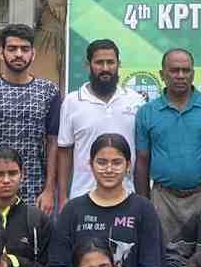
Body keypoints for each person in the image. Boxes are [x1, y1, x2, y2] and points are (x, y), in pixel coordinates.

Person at [48, 134, 163, 267]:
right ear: (90, 165)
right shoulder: (72, 210)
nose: (109, 169)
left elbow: (148, 266)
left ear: (128, 166)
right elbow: (62, 265)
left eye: (117, 162)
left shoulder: (144, 209)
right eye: (101, 162)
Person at [0, 23, 61, 215]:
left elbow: (53, 143)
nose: (18, 54)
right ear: (1, 53)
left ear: (33, 54)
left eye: (24, 49)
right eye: (12, 48)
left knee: (32, 244)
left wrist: (49, 190)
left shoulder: (49, 91)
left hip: (34, 191)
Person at [134, 47, 201, 243]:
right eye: (174, 70)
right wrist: (144, 205)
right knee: (164, 262)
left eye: (186, 70)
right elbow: (142, 162)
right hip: (163, 199)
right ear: (162, 74)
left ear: (193, 73)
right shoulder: (147, 112)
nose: (181, 75)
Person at [58, 38, 145, 202]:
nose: (105, 68)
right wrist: (63, 197)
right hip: (83, 196)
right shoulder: (72, 102)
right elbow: (65, 152)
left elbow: (143, 155)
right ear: (88, 65)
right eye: (99, 62)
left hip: (127, 197)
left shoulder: (136, 101)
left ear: (118, 64)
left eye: (110, 62)